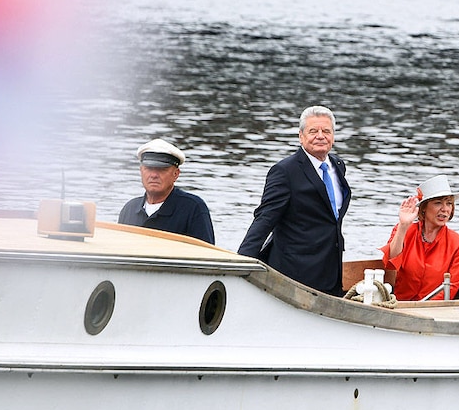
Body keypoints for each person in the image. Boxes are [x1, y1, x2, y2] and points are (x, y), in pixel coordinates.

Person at [238, 106, 351, 296]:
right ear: (301, 136)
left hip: (331, 269)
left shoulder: (337, 166)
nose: (320, 136)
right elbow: (265, 218)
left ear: (333, 135)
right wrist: (242, 261)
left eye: (326, 131)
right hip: (294, 271)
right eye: (313, 131)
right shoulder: (285, 171)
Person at [380, 175, 459, 301]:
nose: (445, 209)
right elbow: (390, 263)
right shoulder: (403, 230)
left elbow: (451, 287)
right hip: (399, 305)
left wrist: (424, 308)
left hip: (434, 310)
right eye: (438, 203)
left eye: (449, 203)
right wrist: (403, 225)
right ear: (424, 208)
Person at [118, 138, 215, 244]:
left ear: (176, 174)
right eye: (149, 168)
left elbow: (206, 255)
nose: (154, 175)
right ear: (141, 171)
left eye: (162, 169)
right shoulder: (130, 209)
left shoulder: (193, 208)